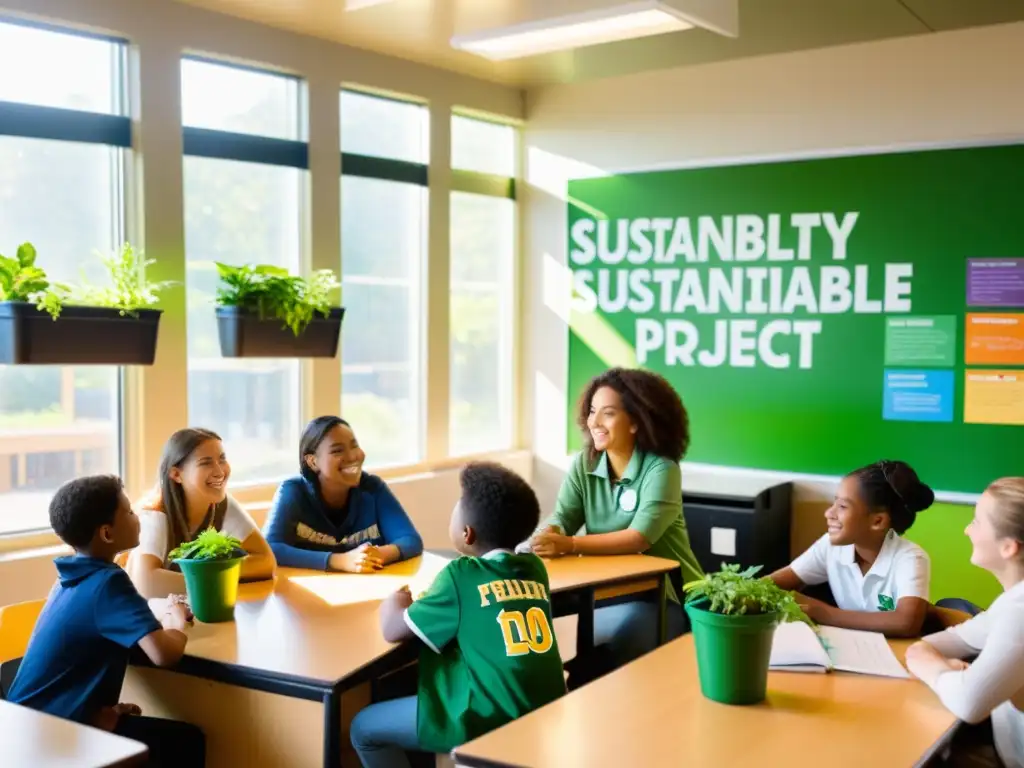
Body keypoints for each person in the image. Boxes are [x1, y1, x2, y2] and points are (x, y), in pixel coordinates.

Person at [349, 462, 565, 768]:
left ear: (467, 533)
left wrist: (394, 601)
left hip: (487, 717)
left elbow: (392, 629)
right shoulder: (534, 569)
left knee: (364, 728)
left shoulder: (460, 574)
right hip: (543, 710)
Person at [7, 475, 205, 767]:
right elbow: (164, 654)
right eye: (128, 511)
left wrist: (97, 714)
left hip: (26, 726)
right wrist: (176, 621)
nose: (136, 517)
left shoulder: (69, 579)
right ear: (107, 533)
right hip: (50, 738)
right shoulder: (109, 581)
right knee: (186, 741)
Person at [527, 367, 702, 670]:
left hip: (668, 597)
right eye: (592, 412)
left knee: (613, 657)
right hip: (605, 590)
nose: (594, 422)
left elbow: (638, 538)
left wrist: (567, 544)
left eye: (607, 413)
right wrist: (546, 534)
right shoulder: (586, 462)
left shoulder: (662, 470)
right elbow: (563, 515)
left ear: (635, 421)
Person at [906, 478, 1024, 768]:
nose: (967, 530)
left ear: (1009, 547)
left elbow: (969, 703)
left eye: (976, 522)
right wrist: (940, 665)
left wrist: (932, 666)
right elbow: (953, 640)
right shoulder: (1011, 604)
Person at [769, 459, 934, 637]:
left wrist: (822, 612)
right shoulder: (830, 546)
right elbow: (771, 585)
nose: (829, 513)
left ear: (877, 521)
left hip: (896, 656)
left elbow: (906, 622)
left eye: (842, 506)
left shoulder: (910, 558)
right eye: (834, 503)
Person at [126, 427, 276, 599]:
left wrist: (204, 576)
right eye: (205, 463)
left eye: (222, 459)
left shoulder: (220, 503)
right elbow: (148, 584)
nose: (220, 472)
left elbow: (266, 561)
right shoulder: (155, 513)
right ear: (176, 474)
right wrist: (220, 576)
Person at [262, 416, 423, 572]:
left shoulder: (373, 488)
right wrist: (340, 561)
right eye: (337, 451)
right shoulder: (293, 491)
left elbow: (410, 540)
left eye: (354, 446)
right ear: (313, 462)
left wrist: (376, 555)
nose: (353, 456)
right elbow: (270, 548)